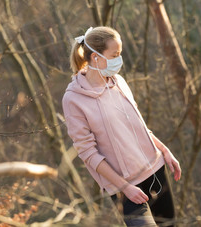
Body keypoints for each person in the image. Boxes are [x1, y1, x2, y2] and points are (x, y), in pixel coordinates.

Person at [62, 26, 181, 226]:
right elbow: (87, 153)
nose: (119, 59)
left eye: (120, 53)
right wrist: (125, 187)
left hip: (155, 170)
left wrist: (164, 150)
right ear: (96, 57)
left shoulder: (119, 82)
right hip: (124, 189)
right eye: (115, 54)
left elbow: (139, 127)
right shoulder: (73, 99)